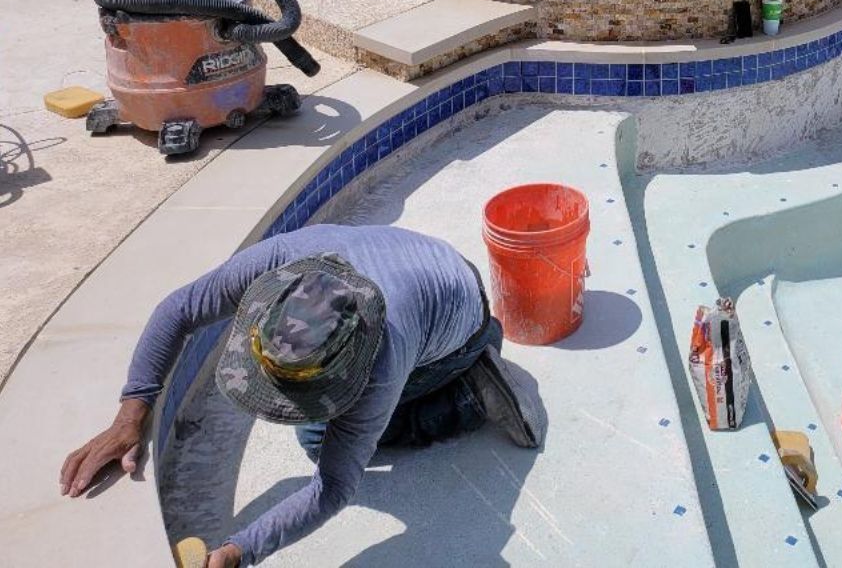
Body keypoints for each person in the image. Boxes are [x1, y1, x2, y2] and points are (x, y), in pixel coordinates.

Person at [60, 223, 545, 567]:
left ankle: (470, 395)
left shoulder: (383, 354)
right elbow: (178, 309)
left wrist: (243, 549)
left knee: (317, 440)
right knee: (320, 429)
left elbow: (334, 486)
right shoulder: (281, 262)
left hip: (462, 327)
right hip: (433, 267)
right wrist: (132, 413)